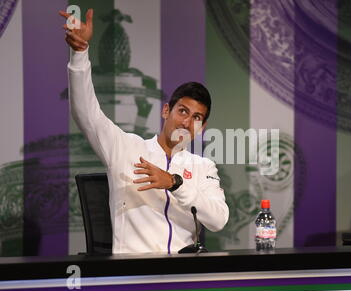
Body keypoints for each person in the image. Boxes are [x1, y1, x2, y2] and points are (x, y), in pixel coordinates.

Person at [59, 9, 229, 254]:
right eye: (182, 111)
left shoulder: (204, 168)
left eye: (197, 118)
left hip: (185, 277)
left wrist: (175, 183)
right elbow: (85, 113)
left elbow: (218, 220)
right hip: (135, 276)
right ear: (165, 111)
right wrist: (79, 54)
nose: (186, 122)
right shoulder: (125, 148)